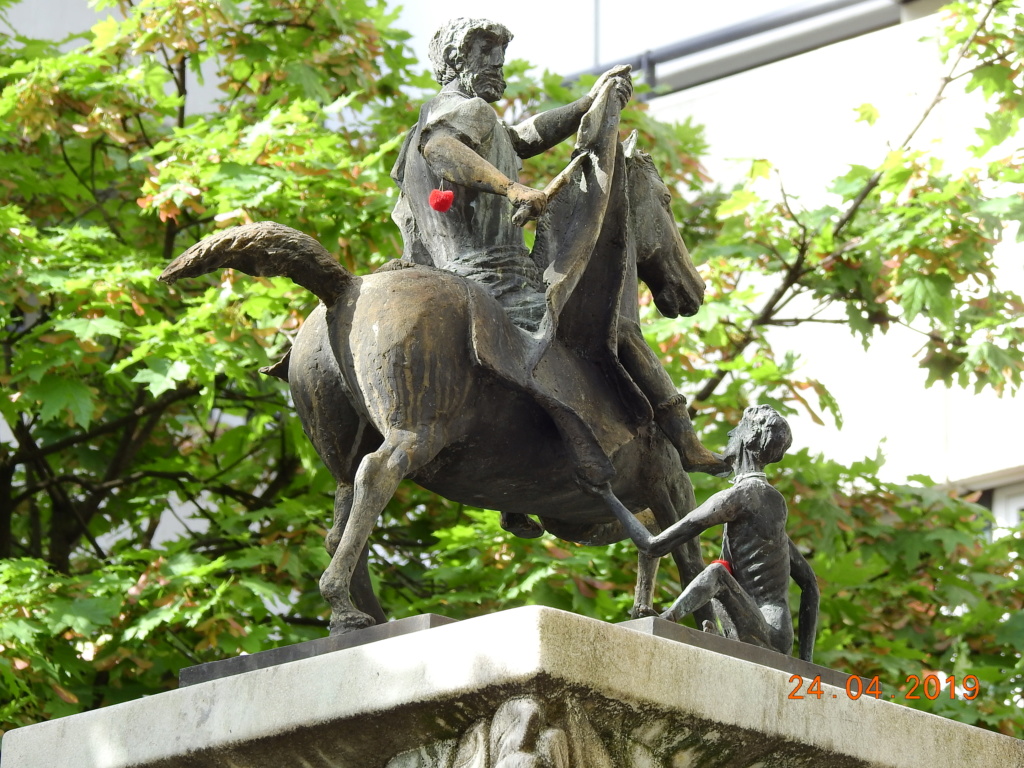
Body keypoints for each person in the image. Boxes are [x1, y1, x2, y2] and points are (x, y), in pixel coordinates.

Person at [390, 18, 727, 537]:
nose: (495, 61)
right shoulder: (461, 114)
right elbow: (443, 150)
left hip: (444, 272)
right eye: (483, 50)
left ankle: (516, 489)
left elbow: (525, 137)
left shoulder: (467, 123)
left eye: (499, 49)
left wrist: (589, 106)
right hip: (492, 275)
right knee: (605, 332)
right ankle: (682, 439)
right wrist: (513, 191)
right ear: (453, 61)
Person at [606, 405, 819, 661]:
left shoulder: (740, 496)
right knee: (722, 571)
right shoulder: (770, 500)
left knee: (717, 574)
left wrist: (606, 495)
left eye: (736, 429)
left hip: (766, 634)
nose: (730, 433)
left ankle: (666, 619)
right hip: (771, 631)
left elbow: (653, 546)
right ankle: (714, 634)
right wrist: (805, 661)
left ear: (748, 438)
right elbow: (809, 583)